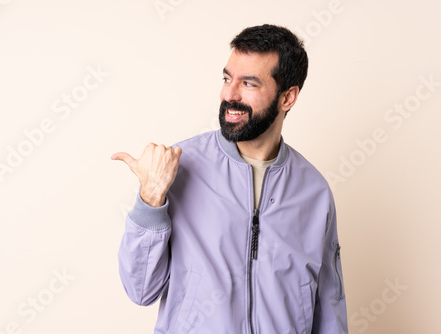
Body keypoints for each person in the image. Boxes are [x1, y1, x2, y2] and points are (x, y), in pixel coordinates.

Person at [112, 24, 348, 334]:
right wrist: (150, 200)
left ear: (287, 97)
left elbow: (329, 306)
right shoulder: (179, 167)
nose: (229, 94)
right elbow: (140, 290)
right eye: (227, 78)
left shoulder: (314, 191)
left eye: (248, 83)